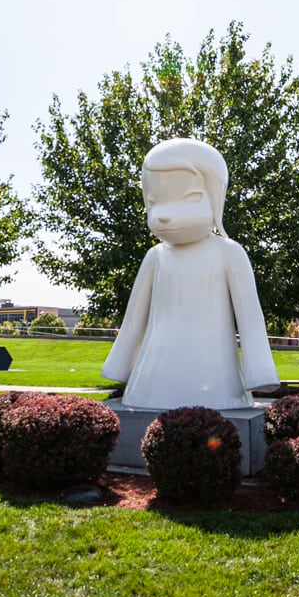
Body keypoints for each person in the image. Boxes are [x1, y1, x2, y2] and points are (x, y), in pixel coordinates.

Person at [101, 137, 280, 410]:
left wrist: (261, 372)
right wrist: (118, 366)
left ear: (214, 197)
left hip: (219, 385)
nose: (163, 216)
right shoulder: (156, 256)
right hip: (149, 384)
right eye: (154, 202)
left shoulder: (229, 252)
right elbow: (134, 319)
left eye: (191, 198)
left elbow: (250, 318)